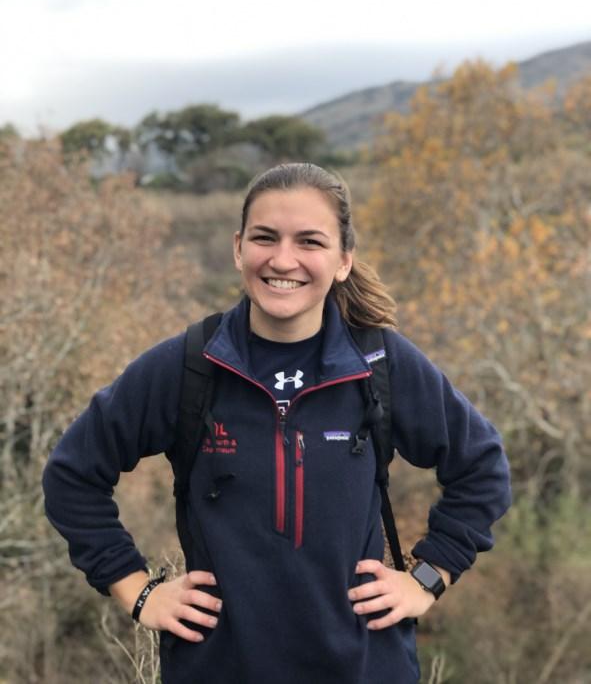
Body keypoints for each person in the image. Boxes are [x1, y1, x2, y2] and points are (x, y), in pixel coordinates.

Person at [43, 162, 511, 684]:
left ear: (343, 260)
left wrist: (427, 577)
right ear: (238, 248)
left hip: (364, 668)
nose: (283, 259)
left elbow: (482, 467)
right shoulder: (190, 365)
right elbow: (72, 474)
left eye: (310, 241)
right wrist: (137, 590)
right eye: (265, 238)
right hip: (216, 671)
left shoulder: (379, 363)